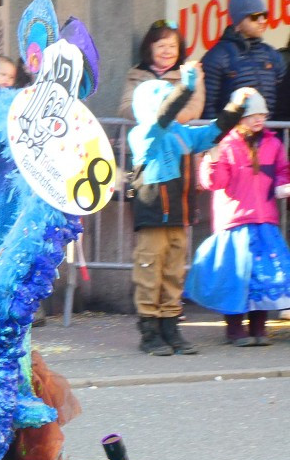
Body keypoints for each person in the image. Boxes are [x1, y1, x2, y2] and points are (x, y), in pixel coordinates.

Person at [127, 63, 247, 356]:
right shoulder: (144, 133)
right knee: (149, 272)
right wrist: (188, 86)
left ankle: (170, 327)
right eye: (166, 97)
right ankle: (149, 331)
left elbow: (210, 134)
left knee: (173, 273)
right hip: (153, 216)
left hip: (178, 217)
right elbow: (163, 115)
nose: (173, 103)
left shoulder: (181, 134)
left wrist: (235, 108)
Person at [185, 90, 290, 346]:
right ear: (239, 117)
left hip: (264, 221)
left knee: (262, 278)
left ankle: (259, 329)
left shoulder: (273, 144)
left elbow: (282, 172)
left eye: (262, 115)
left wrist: (283, 186)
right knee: (236, 278)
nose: (258, 120)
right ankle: (235, 331)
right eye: (252, 115)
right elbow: (214, 182)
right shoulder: (227, 144)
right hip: (235, 223)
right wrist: (213, 157)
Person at [200, 0, 285, 119]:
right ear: (238, 23)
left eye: (265, 15)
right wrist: (217, 137)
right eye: (255, 17)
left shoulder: (273, 55)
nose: (262, 21)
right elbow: (207, 107)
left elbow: (283, 104)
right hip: (229, 137)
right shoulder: (216, 57)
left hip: (269, 136)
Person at [119, 19, 203, 124]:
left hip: (176, 138)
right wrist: (147, 115)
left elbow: (193, 109)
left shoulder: (190, 73)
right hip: (144, 137)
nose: (167, 51)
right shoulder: (136, 73)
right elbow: (125, 108)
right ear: (150, 48)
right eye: (161, 46)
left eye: (172, 46)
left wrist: (163, 119)